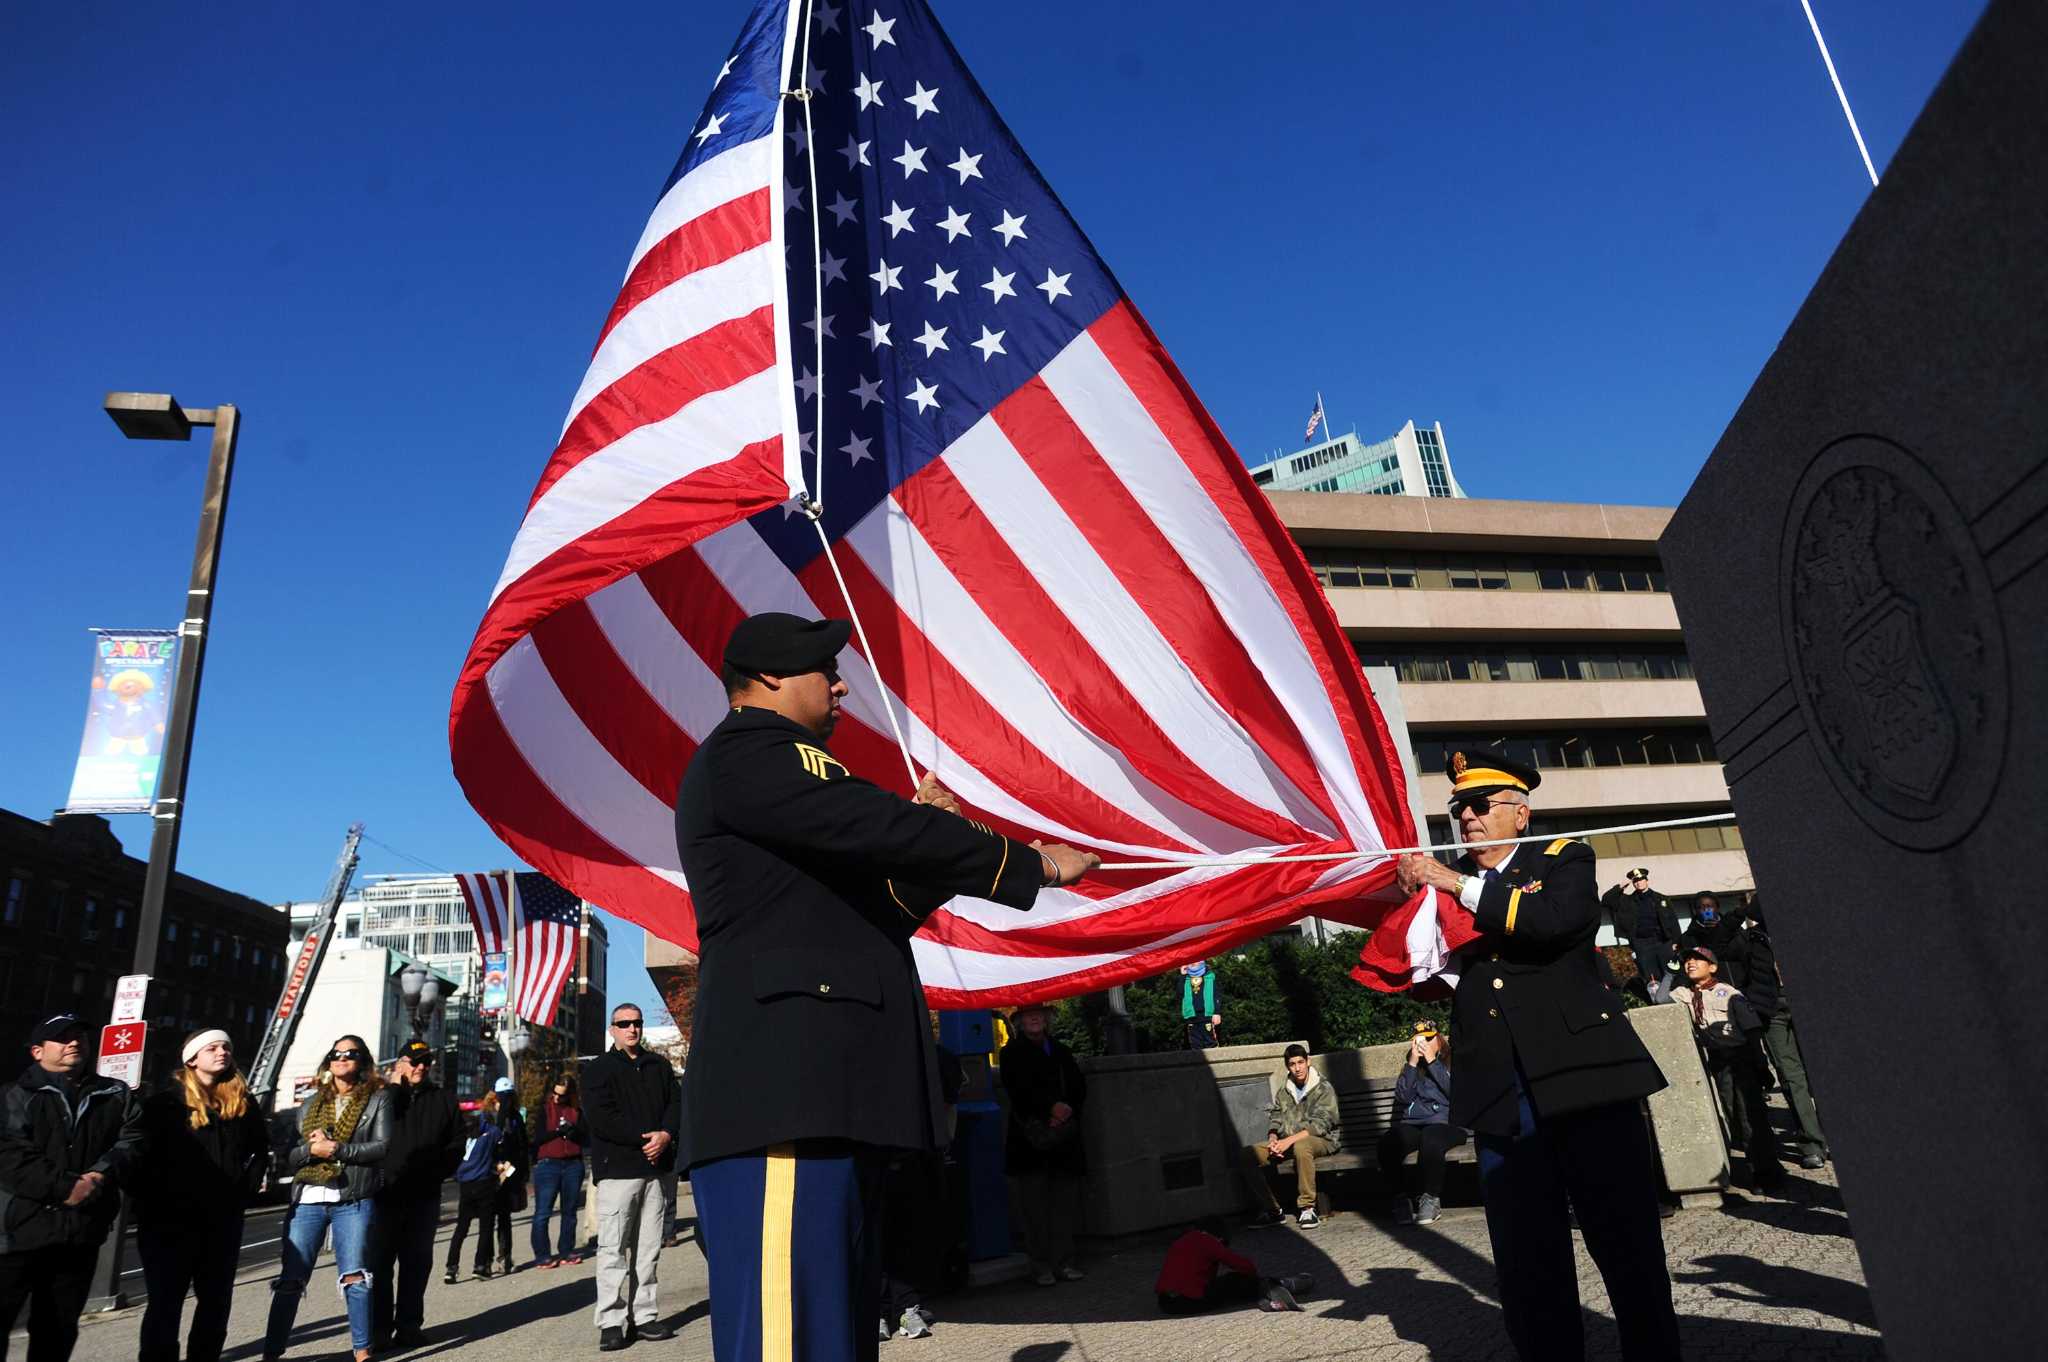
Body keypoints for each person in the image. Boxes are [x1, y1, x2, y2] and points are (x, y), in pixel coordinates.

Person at [673, 611, 1099, 1362]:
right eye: (823, 669)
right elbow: (868, 824)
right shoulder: (753, 752)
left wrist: (928, 850)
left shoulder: (782, 785)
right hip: (783, 1101)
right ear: (770, 677)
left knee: (835, 1336)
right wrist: (1026, 864)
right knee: (788, 1340)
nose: (840, 684)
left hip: (827, 1101)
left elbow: (871, 911)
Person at [1395, 749, 1678, 1362]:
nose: (1465, 816)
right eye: (1458, 808)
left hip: (1580, 1075)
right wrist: (1410, 889)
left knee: (1624, 1238)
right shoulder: (1445, 883)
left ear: (1520, 815)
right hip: (1500, 1086)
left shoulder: (1562, 858)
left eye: (1479, 805)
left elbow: (1555, 922)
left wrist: (1454, 884)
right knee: (1526, 1257)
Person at [0, 1013, 144, 1362]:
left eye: (80, 1036)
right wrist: (66, 1186)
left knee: (58, 1328)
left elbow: (134, 1140)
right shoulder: (14, 1095)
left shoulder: (114, 1093)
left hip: (80, 1232)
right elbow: (11, 1155)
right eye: (62, 1038)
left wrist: (97, 1176)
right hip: (16, 1234)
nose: (75, 1042)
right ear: (37, 1051)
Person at [135, 1028, 269, 1362]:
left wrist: (243, 1190)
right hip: (170, 1221)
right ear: (192, 1059)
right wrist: (156, 1201)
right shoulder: (165, 1103)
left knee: (215, 1301)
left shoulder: (241, 1102)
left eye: (226, 1046)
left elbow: (260, 1149)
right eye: (212, 1048)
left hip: (222, 1220)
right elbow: (139, 1157)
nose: (222, 1052)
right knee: (166, 1303)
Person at [263, 1034, 391, 1362]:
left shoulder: (378, 1099)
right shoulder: (309, 1104)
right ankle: (272, 1353)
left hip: (354, 1197)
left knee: (355, 1277)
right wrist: (311, 1150)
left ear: (362, 1061)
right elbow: (290, 1156)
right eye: (336, 1053)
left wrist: (337, 1149)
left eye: (351, 1053)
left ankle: (362, 1353)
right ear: (328, 1061)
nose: (342, 1057)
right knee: (291, 1279)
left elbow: (382, 1147)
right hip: (308, 1199)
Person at [583, 1004, 679, 1352]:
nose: (632, 1029)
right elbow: (601, 1117)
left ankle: (645, 1315)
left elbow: (676, 1105)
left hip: (655, 1171)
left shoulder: (659, 1065)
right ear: (612, 1030)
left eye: (637, 1023)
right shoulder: (599, 1069)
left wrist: (666, 1135)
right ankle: (611, 1321)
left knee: (648, 1249)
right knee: (613, 1250)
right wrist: (647, 1138)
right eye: (624, 1024)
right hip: (618, 1172)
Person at [1671, 947, 1787, 1194]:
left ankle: (1766, 1172)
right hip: (1719, 1062)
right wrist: (1673, 970)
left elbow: (1752, 1030)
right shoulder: (1685, 994)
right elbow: (1661, 999)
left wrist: (1761, 1064)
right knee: (1733, 1114)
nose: (1690, 963)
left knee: (1750, 1115)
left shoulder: (1728, 992)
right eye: (1687, 961)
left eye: (1698, 960)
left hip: (1741, 1058)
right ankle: (1756, 1166)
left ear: (1713, 967)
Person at [369, 1040, 461, 1350]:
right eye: (413, 1060)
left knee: (416, 1264)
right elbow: (368, 1132)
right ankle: (379, 1330)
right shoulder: (383, 1097)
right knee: (379, 1265)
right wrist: (394, 1090)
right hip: (384, 1193)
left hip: (424, 1194)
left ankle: (409, 1326)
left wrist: (437, 1171)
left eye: (426, 1061)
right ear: (400, 1064)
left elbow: (456, 1144)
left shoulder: (444, 1099)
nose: (420, 1066)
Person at [1000, 1002, 1090, 1287]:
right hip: (1031, 1140)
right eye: (1028, 1015)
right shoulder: (1010, 1053)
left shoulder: (1061, 1050)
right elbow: (1017, 1090)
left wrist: (1066, 1109)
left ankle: (1064, 1261)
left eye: (1039, 1014)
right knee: (1034, 1208)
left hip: (1063, 1140)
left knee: (1065, 1205)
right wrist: (1050, 1109)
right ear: (1019, 1021)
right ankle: (1041, 1266)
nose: (1035, 1019)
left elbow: (1078, 1086)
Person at [1743, 899, 1828, 1169]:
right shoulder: (1750, 938)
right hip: (1772, 1011)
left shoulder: (1803, 928)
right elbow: (1719, 942)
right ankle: (1812, 1143)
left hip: (1808, 1006)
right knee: (1791, 1078)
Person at [1376, 1019, 1468, 1227]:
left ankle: (1430, 1198)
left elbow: (1455, 1093)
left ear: (1438, 1039)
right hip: (1414, 1124)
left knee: (1432, 1138)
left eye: (1428, 1039)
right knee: (1388, 1142)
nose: (1423, 1043)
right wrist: (1412, 1063)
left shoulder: (1453, 1059)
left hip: (1447, 1123)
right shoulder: (1412, 1065)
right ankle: (1400, 1199)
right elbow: (1402, 1097)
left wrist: (1432, 1061)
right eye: (1419, 1040)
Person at [1244, 1044, 1342, 1230]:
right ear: (1287, 1066)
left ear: (1308, 1062)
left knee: (1301, 1146)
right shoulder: (1284, 1091)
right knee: (1247, 1155)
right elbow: (1276, 1116)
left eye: (1300, 1062)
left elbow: (1321, 1125)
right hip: (1287, 1141)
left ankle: (1307, 1208)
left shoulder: (1323, 1087)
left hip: (1323, 1140)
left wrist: (1287, 1141)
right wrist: (1273, 1138)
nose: (1297, 1068)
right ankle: (1273, 1210)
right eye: (1292, 1064)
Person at [1154, 1218, 1312, 1315]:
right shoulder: (1208, 1241)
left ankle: (1261, 1290)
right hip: (1189, 1302)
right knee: (1232, 1281)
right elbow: (1246, 1267)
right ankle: (1280, 1285)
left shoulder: (1183, 1240)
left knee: (1221, 1287)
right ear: (1219, 1236)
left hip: (1166, 1304)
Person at [445, 1096, 507, 1281]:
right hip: (484, 1183)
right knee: (485, 1227)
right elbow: (499, 1134)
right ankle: (480, 1265)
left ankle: (451, 1267)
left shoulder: (463, 1139)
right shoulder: (488, 1135)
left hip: (465, 1185)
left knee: (461, 1228)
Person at [531, 1070, 588, 1268]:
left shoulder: (577, 1111)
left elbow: (586, 1139)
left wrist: (573, 1133)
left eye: (562, 1095)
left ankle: (566, 1250)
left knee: (569, 1212)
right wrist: (556, 1132)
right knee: (543, 1213)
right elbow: (536, 1139)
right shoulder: (544, 1109)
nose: (557, 1098)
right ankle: (542, 1254)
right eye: (555, 1093)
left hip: (573, 1163)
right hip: (548, 1163)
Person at [1602, 867, 1681, 1002]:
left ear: (1647, 881)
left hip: (1662, 942)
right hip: (1642, 944)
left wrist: (1676, 942)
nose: (1638, 883)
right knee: (1651, 977)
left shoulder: (1661, 899)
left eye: (1641, 880)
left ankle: (1677, 1000)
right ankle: (1656, 1003)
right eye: (1635, 881)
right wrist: (1623, 884)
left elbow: (1673, 921)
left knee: (1670, 973)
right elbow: (1607, 900)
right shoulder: (1627, 900)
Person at [487, 1076, 530, 1273]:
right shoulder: (487, 1116)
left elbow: (522, 1146)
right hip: (488, 1172)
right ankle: (485, 1260)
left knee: (504, 1217)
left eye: (509, 1096)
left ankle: (505, 1257)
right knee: (487, 1219)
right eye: (503, 1097)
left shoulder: (516, 1117)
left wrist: (523, 1172)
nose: (506, 1101)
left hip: (510, 1172)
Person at [1181, 961, 1220, 1049]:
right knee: (1195, 1044)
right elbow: (1180, 993)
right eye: (1191, 960)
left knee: (1210, 1042)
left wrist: (1217, 1012)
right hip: (1192, 1016)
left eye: (1197, 959)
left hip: (1207, 1015)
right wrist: (1182, 975)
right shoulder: (1186, 978)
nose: (1194, 962)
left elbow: (1216, 995)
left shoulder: (1210, 976)